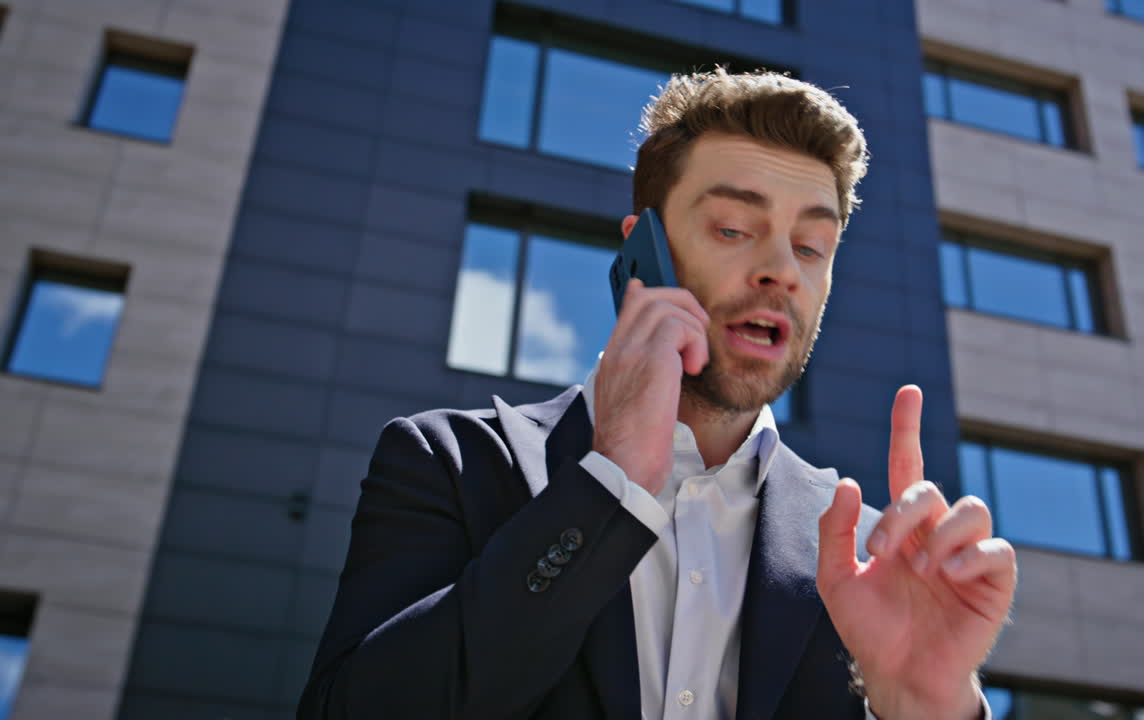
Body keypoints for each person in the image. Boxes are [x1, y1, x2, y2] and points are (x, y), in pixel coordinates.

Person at [298, 68, 1016, 720]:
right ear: (642, 250)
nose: (781, 270)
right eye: (733, 228)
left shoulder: (863, 555)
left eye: (810, 247)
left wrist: (929, 707)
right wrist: (606, 486)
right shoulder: (450, 462)